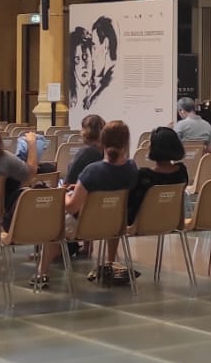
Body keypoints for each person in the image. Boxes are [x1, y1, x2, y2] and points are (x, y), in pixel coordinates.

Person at [38, 119, 139, 288]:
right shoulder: (131, 168)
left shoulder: (92, 170)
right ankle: (110, 263)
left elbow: (71, 207)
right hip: (115, 224)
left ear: (102, 141)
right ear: (126, 142)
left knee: (55, 225)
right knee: (112, 213)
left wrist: (61, 193)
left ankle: (42, 273)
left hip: (85, 225)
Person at [128, 127, 190, 224]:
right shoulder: (182, 172)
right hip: (172, 221)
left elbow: (132, 204)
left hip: (144, 223)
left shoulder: (144, 176)